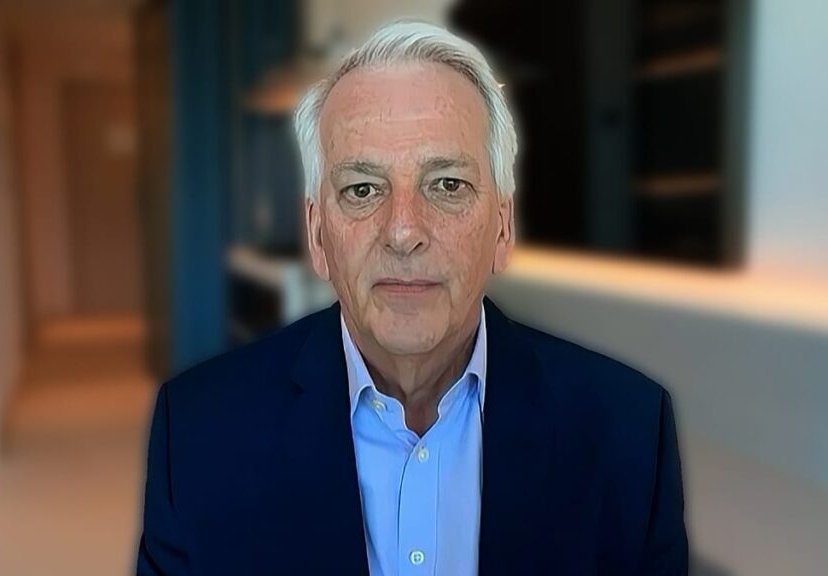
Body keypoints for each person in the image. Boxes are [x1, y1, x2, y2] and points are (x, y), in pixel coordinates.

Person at [137, 20, 687, 576]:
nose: (403, 231)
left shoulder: (629, 433)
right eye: (362, 189)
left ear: (502, 227)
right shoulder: (198, 434)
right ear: (318, 235)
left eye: (447, 185)